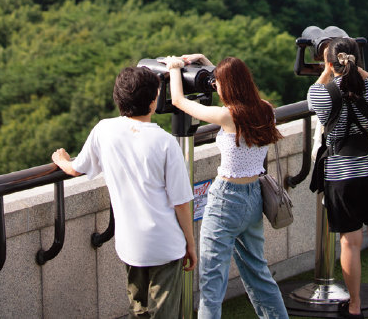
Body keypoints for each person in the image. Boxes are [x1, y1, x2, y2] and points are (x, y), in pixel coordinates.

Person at [51, 66, 196, 319]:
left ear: (119, 99)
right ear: (154, 102)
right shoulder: (165, 143)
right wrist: (191, 245)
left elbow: (76, 169)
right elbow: (181, 203)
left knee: (138, 309)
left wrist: (61, 160)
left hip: (131, 245)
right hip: (166, 245)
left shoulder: (104, 130)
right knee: (165, 313)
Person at [161, 53, 289, 319]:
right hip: (254, 198)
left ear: (227, 86)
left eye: (218, 82)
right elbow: (220, 81)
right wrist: (204, 60)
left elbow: (178, 101)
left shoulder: (227, 116)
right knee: (259, 274)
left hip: (225, 202)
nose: (214, 86)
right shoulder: (266, 109)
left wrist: (175, 68)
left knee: (211, 284)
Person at [307, 37, 368, 319]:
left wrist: (327, 70)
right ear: (357, 60)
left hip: (342, 175)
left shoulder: (321, 94)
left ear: (330, 62)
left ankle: (354, 305)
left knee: (350, 243)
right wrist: (358, 68)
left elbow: (315, 95)